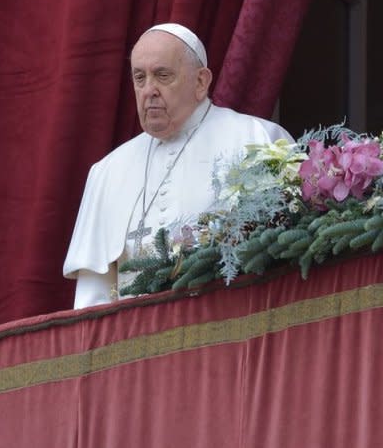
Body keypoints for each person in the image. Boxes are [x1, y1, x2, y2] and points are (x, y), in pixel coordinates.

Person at [63, 23, 293, 308]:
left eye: (162, 75)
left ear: (200, 82)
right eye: (139, 78)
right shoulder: (107, 172)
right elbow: (91, 300)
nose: (149, 90)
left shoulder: (257, 140)